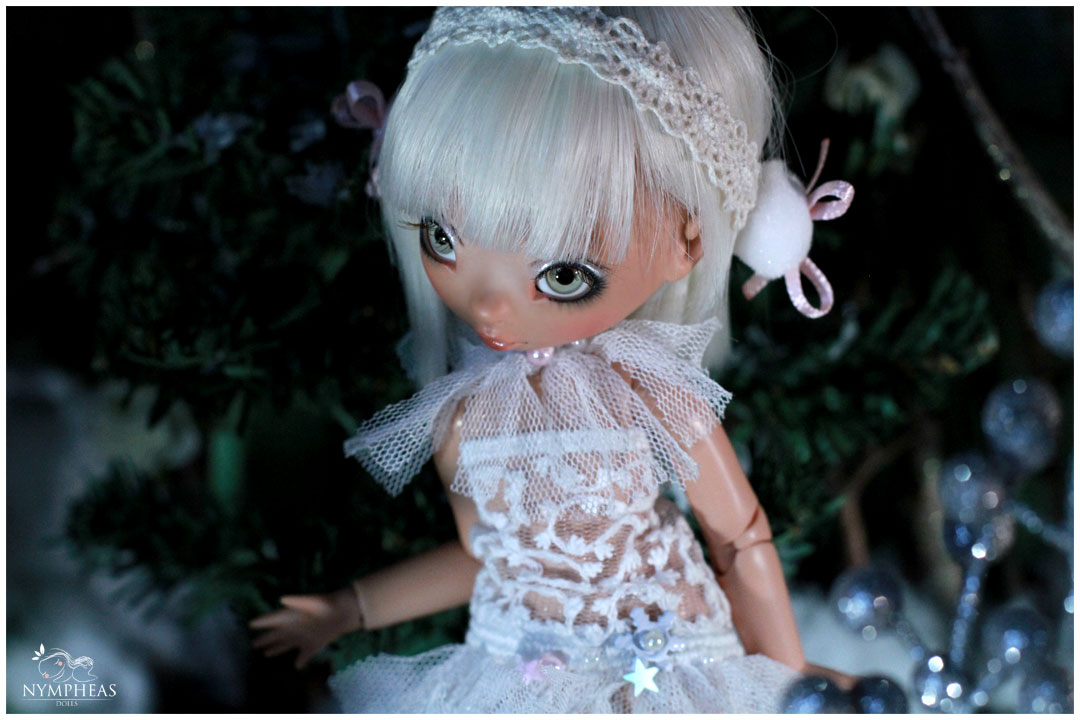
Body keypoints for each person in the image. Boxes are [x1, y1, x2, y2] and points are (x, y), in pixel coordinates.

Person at [251, 7, 852, 712]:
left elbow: (740, 538)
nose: (489, 306)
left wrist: (789, 680)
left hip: (663, 660)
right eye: (442, 239)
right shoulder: (463, 414)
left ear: (686, 242)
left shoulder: (642, 385)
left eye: (564, 275)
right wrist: (353, 607)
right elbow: (485, 554)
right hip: (520, 672)